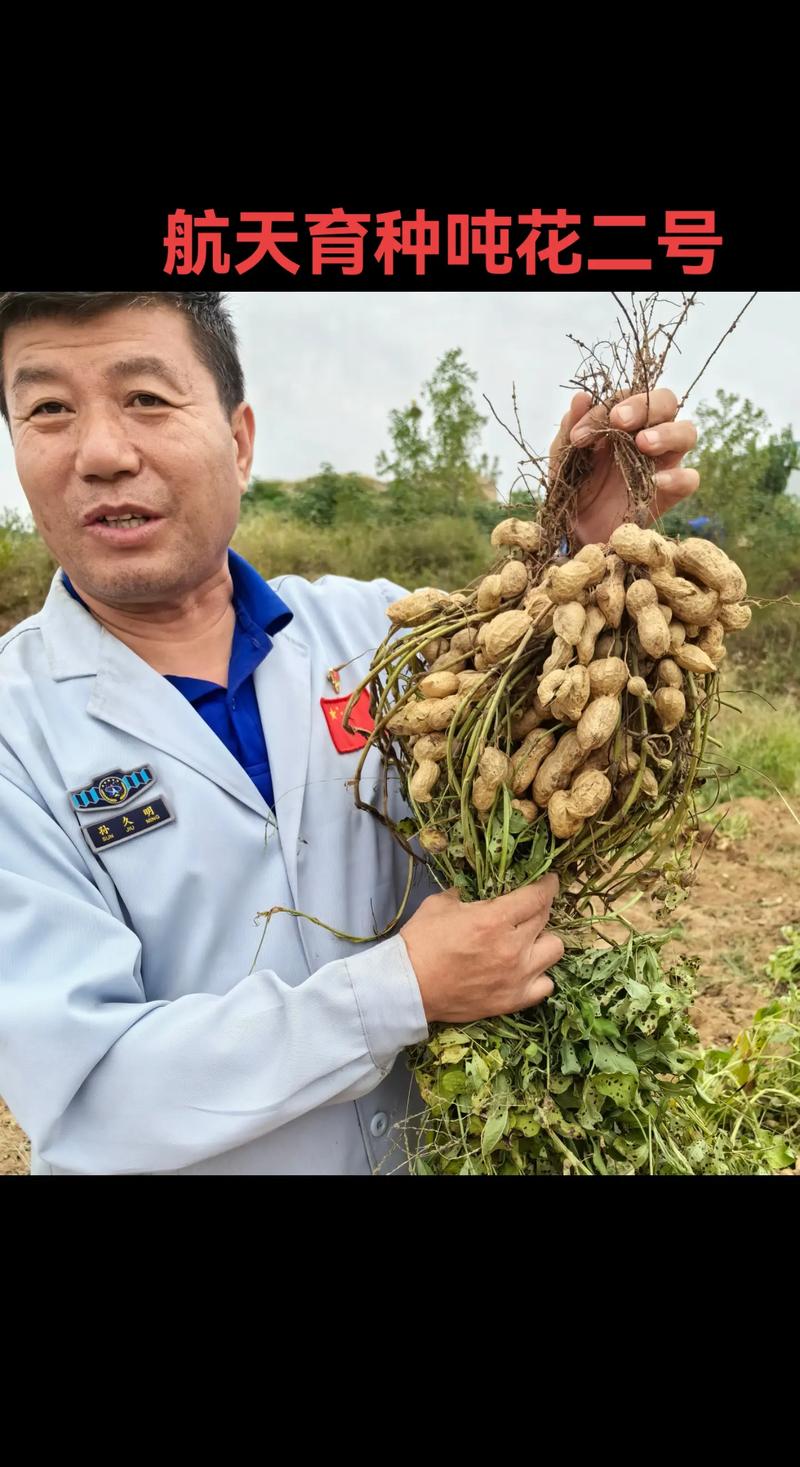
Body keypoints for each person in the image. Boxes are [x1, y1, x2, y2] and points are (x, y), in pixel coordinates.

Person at [0, 292, 700, 1175]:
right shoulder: (13, 732)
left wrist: (578, 543)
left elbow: (531, 716)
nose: (102, 453)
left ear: (240, 439)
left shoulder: (378, 633)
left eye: (145, 397)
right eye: (48, 409)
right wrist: (398, 990)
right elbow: (92, 1094)